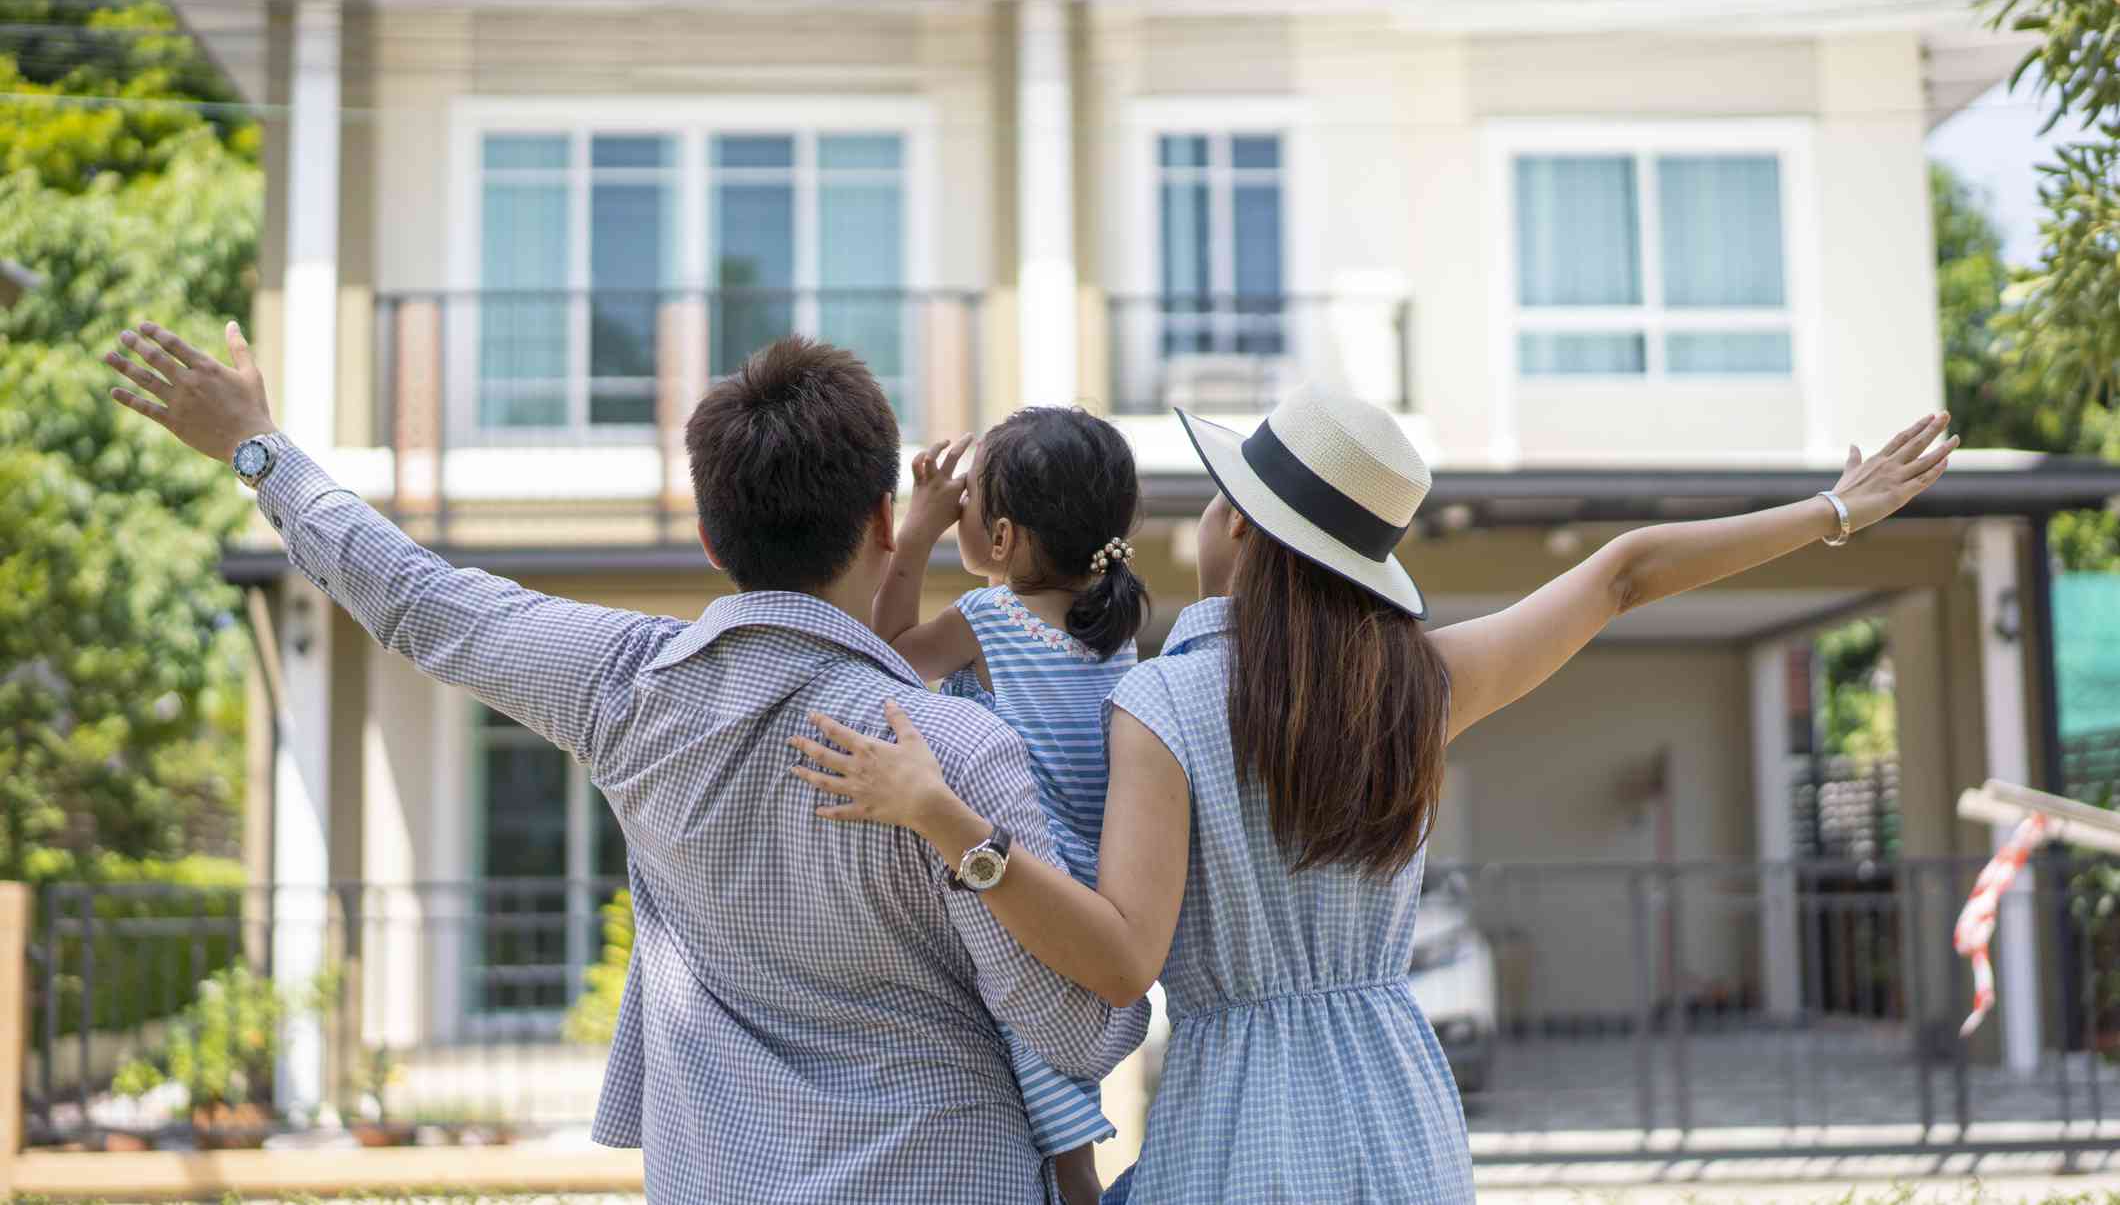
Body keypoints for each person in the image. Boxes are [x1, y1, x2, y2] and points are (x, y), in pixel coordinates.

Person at [792, 384, 1957, 1203]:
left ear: (1238, 530)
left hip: (1238, 1123)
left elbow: (1117, 961)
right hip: (1402, 1106)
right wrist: (1834, 512)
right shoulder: (1419, 684)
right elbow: (1621, 574)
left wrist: (945, 819)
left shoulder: (1159, 707)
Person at [100, 320, 1148, 1205]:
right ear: (883, 520)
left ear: (705, 533)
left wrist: (256, 450)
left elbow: (416, 599)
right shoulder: (957, 749)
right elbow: (1074, 1028)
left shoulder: (626, 686)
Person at [870, 408, 1151, 1205]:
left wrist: (915, 533)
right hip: (1102, 875)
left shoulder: (993, 619)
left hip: (1030, 863)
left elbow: (883, 657)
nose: (950, 508)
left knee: (1025, 1036)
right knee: (1046, 1053)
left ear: (1000, 541)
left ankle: (1077, 1185)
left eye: (963, 504)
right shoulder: (1115, 627)